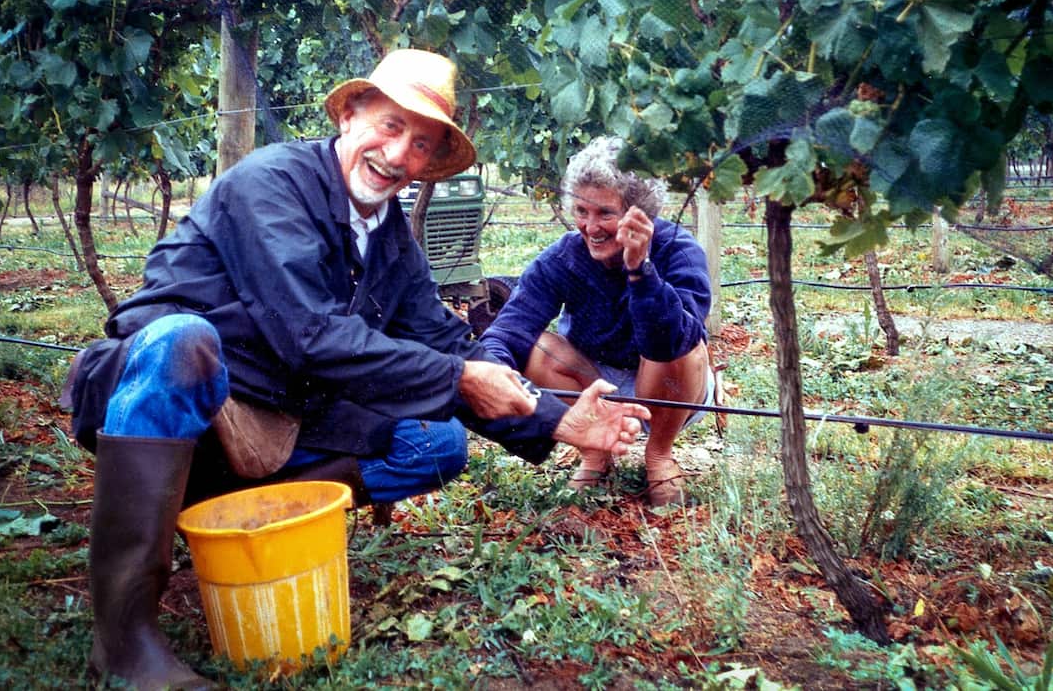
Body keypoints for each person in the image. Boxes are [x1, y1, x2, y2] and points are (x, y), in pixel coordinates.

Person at [61, 49, 647, 691]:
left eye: (421, 144)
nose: (399, 156)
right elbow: (311, 336)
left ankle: (220, 514)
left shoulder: (391, 239)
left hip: (280, 415)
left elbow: (449, 346)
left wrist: (556, 419)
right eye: (390, 126)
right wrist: (457, 379)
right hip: (170, 393)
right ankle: (122, 641)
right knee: (183, 340)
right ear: (348, 113)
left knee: (434, 443)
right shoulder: (272, 183)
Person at [481, 135, 712, 507]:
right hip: (594, 383)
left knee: (684, 345)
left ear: (642, 214)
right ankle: (595, 451)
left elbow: (672, 341)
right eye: (581, 212)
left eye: (605, 213)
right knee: (537, 346)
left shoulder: (677, 250)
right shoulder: (563, 257)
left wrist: (640, 270)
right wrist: (491, 374)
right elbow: (510, 330)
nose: (591, 227)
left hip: (673, 389)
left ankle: (659, 455)